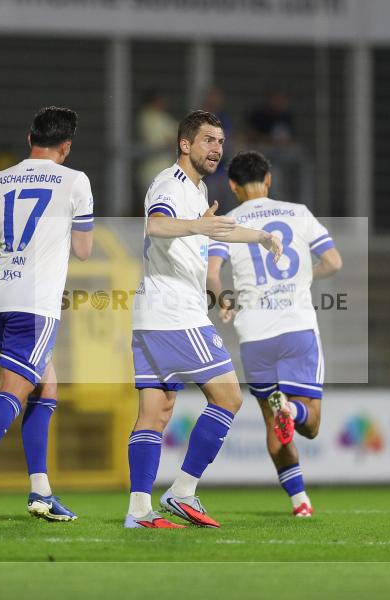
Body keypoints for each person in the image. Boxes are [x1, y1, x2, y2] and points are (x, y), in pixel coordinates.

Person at [126, 111, 282, 529]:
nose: (217, 148)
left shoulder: (195, 191)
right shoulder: (169, 184)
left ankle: (139, 511)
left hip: (154, 315)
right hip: (175, 312)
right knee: (229, 397)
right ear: (185, 144)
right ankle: (182, 491)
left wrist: (264, 237)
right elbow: (156, 225)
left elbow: (220, 230)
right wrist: (199, 224)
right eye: (209, 140)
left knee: (156, 412)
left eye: (220, 141)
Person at [0, 106, 94, 524]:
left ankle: (40, 492)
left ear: (30, 139)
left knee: (46, 388)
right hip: (36, 304)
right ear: (66, 146)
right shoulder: (75, 180)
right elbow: (83, 250)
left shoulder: (0, 179)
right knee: (13, 390)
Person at [206, 150, 341, 517]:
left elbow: (212, 273)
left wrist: (224, 301)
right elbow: (333, 261)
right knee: (309, 422)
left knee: (271, 421)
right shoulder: (297, 212)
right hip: (296, 327)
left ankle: (300, 503)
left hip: (254, 334)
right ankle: (292, 410)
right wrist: (306, 276)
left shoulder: (228, 222)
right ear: (268, 180)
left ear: (233, 186)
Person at [138, 90, 179, 192]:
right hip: (154, 171)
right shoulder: (150, 117)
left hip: (163, 169)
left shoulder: (157, 117)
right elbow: (174, 137)